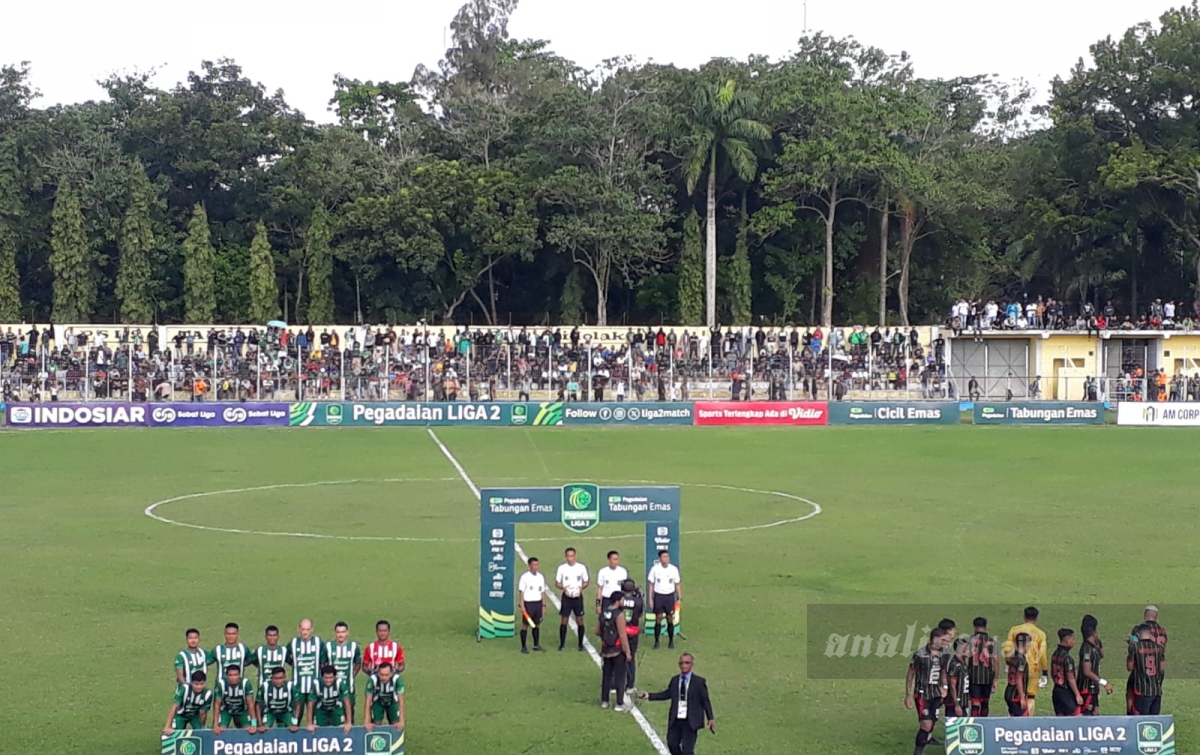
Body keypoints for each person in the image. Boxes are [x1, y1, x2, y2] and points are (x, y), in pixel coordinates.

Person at [638, 653, 715, 755]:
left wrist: (710, 718)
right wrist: (649, 696)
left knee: (687, 750)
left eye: (687, 663)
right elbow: (667, 693)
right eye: (681, 663)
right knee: (672, 744)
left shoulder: (699, 682)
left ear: (692, 664)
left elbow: (705, 700)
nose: (684, 665)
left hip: (690, 721)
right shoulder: (675, 680)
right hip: (676, 719)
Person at [905, 627, 948, 755]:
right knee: (926, 725)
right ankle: (917, 752)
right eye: (943, 640)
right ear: (935, 639)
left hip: (936, 694)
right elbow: (910, 674)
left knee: (931, 722)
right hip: (922, 694)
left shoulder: (944, 654)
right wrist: (908, 694)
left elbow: (943, 672)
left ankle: (926, 739)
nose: (946, 643)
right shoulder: (920, 655)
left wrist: (944, 687)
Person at [1005, 607, 1049, 714]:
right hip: (1033, 668)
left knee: (1015, 693)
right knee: (1030, 696)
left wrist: (1008, 662)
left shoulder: (1014, 630)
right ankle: (1028, 718)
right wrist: (1044, 671)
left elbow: (1007, 648)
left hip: (1016, 664)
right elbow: (1042, 654)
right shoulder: (1040, 634)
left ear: (1024, 616)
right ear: (1037, 618)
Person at [597, 591, 633, 710]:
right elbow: (623, 635)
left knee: (606, 676)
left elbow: (597, 630)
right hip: (617, 650)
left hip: (606, 649)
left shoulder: (603, 612)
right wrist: (627, 652)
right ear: (618, 601)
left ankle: (605, 701)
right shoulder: (619, 615)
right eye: (622, 600)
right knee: (620, 677)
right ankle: (619, 703)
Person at [554, 547, 589, 652]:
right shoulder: (561, 568)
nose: (570, 558)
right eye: (568, 556)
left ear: (575, 556)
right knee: (564, 620)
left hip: (578, 597)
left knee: (580, 620)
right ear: (566, 557)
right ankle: (562, 644)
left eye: (572, 556)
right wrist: (563, 588)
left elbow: (586, 582)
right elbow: (557, 583)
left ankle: (580, 644)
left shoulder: (581, 567)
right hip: (566, 598)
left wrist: (580, 588)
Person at [325, 622, 362, 719]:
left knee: (349, 714)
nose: (340, 634)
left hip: (349, 688)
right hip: (331, 689)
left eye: (343, 632)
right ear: (335, 633)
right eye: (338, 632)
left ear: (347, 632)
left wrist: (352, 674)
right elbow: (323, 664)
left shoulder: (354, 647)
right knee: (331, 715)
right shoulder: (328, 647)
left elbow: (358, 663)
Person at [1077, 615, 1113, 716]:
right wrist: (1104, 683)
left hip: (1093, 690)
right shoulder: (1087, 649)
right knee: (1088, 718)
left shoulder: (1093, 647)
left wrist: (1099, 645)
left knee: (1096, 714)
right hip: (1087, 690)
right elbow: (1087, 671)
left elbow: (1102, 655)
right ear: (1094, 632)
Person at [647, 550, 682, 650]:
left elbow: (677, 584)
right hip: (658, 596)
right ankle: (657, 641)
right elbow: (651, 585)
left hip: (669, 596)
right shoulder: (655, 569)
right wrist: (650, 599)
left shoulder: (673, 569)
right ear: (659, 558)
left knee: (669, 618)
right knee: (658, 618)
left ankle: (671, 641)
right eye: (664, 557)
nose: (666, 559)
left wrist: (679, 598)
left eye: (667, 557)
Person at [966, 617, 1000, 717]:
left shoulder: (969, 641)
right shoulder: (992, 642)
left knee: (975, 703)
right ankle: (984, 724)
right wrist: (996, 679)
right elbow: (996, 661)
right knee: (985, 703)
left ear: (974, 627)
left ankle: (974, 725)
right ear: (986, 627)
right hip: (987, 677)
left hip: (973, 677)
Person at [1127, 624, 1165, 715]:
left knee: (1141, 720)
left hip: (1141, 690)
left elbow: (1129, 667)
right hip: (1156, 690)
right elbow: (1162, 667)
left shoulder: (1135, 647)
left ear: (1138, 635)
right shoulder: (1159, 648)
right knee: (1153, 719)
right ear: (1150, 634)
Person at [163, 670, 214, 736]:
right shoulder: (184, 688)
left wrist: (202, 727)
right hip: (180, 715)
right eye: (196, 684)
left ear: (205, 683)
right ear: (191, 683)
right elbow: (174, 706)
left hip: (195, 716)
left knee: (202, 733)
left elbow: (203, 712)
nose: (199, 687)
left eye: (202, 684)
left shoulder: (208, 694)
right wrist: (167, 726)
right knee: (174, 733)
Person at [306, 664, 353, 733]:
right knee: (318, 730)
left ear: (335, 677)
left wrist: (348, 722)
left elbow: (347, 702)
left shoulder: (340, 683)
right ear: (321, 677)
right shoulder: (316, 684)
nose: (328, 680)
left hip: (336, 707)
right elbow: (310, 703)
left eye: (331, 678)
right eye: (326, 678)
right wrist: (309, 723)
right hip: (321, 708)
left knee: (341, 728)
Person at [213, 665, 258, 735]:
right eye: (230, 675)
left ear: (239, 675)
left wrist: (254, 724)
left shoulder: (245, 683)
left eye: (235, 675)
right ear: (226, 676)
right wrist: (215, 725)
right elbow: (217, 704)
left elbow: (250, 704)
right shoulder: (221, 684)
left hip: (242, 711)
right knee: (220, 731)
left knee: (249, 730)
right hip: (226, 711)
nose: (233, 678)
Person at [619, 579, 645, 694]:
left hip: (620, 631)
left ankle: (617, 683)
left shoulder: (619, 600)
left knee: (618, 657)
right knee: (631, 657)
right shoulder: (638, 601)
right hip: (633, 631)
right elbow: (639, 614)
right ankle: (630, 684)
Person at [256, 666, 302, 732]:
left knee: (293, 729)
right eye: (276, 678)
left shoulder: (290, 686)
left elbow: (298, 704)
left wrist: (295, 722)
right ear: (271, 678)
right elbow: (258, 705)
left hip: (286, 711)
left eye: (281, 678)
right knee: (263, 730)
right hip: (270, 711)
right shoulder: (265, 686)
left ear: (285, 678)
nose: (278, 681)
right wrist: (260, 724)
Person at [363, 662, 405, 732]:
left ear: (391, 673)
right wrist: (367, 721)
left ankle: (395, 741)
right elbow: (368, 701)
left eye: (386, 675)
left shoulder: (397, 679)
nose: (384, 677)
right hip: (378, 701)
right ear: (378, 673)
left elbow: (401, 700)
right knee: (375, 726)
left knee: (396, 725)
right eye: (381, 675)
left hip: (392, 701)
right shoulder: (372, 679)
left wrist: (401, 720)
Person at [518, 556, 548, 654]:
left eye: (537, 565)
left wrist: (544, 605)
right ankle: (523, 646)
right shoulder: (524, 577)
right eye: (534, 565)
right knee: (525, 625)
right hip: (528, 604)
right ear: (529, 565)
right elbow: (521, 592)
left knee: (537, 624)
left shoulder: (540, 577)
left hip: (538, 604)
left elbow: (542, 591)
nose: (536, 567)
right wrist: (522, 606)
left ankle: (536, 645)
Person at [1050, 629, 1083, 716]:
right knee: (1078, 716)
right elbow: (1070, 677)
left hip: (1056, 691)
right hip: (1066, 693)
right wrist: (1077, 694)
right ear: (1067, 640)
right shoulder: (1067, 658)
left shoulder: (1055, 654)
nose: (1074, 642)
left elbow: (1052, 671)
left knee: (1061, 719)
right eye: (1073, 639)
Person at [288, 618, 324, 696]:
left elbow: (325, 655)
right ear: (299, 629)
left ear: (312, 629)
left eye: (308, 629)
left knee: (312, 707)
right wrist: (293, 663)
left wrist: (321, 665)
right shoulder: (293, 642)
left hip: (314, 685)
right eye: (303, 629)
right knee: (297, 708)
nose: (305, 632)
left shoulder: (318, 642)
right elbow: (285, 654)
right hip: (297, 685)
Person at [1004, 633, 1031, 717]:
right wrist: (1022, 697)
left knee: (1014, 719)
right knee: (1023, 720)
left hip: (1009, 691)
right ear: (1026, 644)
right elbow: (1019, 678)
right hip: (1016, 695)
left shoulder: (1013, 656)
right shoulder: (1021, 660)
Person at [596, 550, 628, 615]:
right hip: (607, 600)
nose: (616, 562)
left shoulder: (623, 571)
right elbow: (600, 589)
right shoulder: (603, 572)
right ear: (608, 560)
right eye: (614, 559)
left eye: (617, 559)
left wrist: (624, 600)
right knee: (606, 620)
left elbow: (625, 588)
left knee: (619, 619)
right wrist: (598, 604)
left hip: (619, 600)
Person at [944, 638, 971, 719]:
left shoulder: (963, 663)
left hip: (963, 702)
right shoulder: (955, 665)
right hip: (954, 705)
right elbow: (952, 686)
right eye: (967, 648)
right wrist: (957, 705)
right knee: (955, 729)